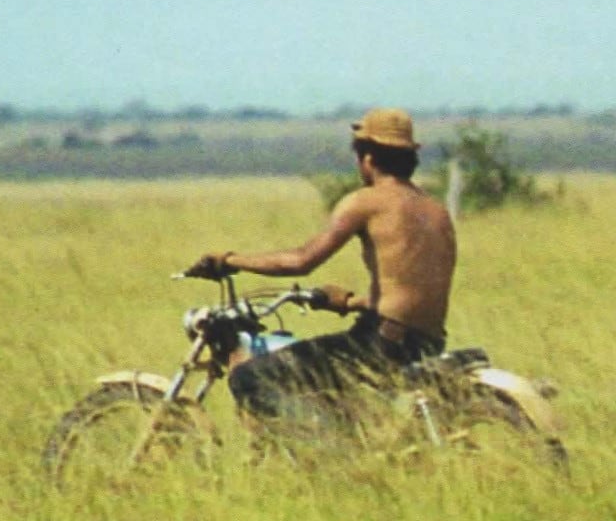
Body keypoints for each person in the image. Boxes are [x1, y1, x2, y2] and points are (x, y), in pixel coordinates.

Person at [185, 107, 457, 427]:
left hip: (382, 342)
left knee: (249, 377)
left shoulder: (366, 201)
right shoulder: (435, 209)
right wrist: (349, 302)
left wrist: (228, 260)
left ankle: (314, 456)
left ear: (367, 158)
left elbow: (301, 261)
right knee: (326, 386)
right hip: (427, 342)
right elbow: (413, 289)